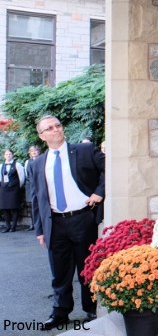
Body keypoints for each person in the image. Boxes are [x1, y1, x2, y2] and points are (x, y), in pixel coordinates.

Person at [27, 115, 105, 329]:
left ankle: (91, 308)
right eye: (50, 128)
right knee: (59, 272)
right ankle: (60, 312)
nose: (56, 129)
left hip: (83, 219)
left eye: (58, 125)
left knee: (87, 267)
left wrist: (99, 192)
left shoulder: (84, 151)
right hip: (55, 224)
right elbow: (37, 199)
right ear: (42, 136)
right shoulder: (36, 164)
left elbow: (109, 168)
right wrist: (40, 230)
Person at [0, 149, 25, 233]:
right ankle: (7, 226)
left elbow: (22, 178)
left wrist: (17, 187)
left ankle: (13, 227)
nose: (8, 156)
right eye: (7, 154)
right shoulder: (1, 165)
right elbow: (0, 178)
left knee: (14, 208)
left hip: (14, 190)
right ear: (4, 156)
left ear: (12, 155)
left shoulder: (17, 164)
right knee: (5, 209)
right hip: (4, 190)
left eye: (10, 154)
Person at [23, 145, 41, 230]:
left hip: (41, 185)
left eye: (35, 150)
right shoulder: (28, 162)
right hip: (31, 186)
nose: (34, 152)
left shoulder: (42, 159)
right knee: (32, 205)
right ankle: (33, 224)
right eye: (32, 151)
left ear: (38, 151)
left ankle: (43, 224)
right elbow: (26, 174)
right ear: (30, 153)